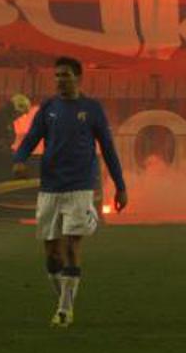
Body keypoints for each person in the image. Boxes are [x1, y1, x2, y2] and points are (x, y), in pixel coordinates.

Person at [12, 57, 128, 328]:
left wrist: (121, 186)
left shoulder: (92, 109)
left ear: (78, 78)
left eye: (65, 75)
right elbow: (31, 137)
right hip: (50, 187)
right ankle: (65, 301)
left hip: (80, 188)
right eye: (57, 76)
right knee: (52, 253)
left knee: (72, 246)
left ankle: (64, 310)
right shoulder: (49, 109)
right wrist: (19, 158)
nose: (59, 80)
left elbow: (108, 149)